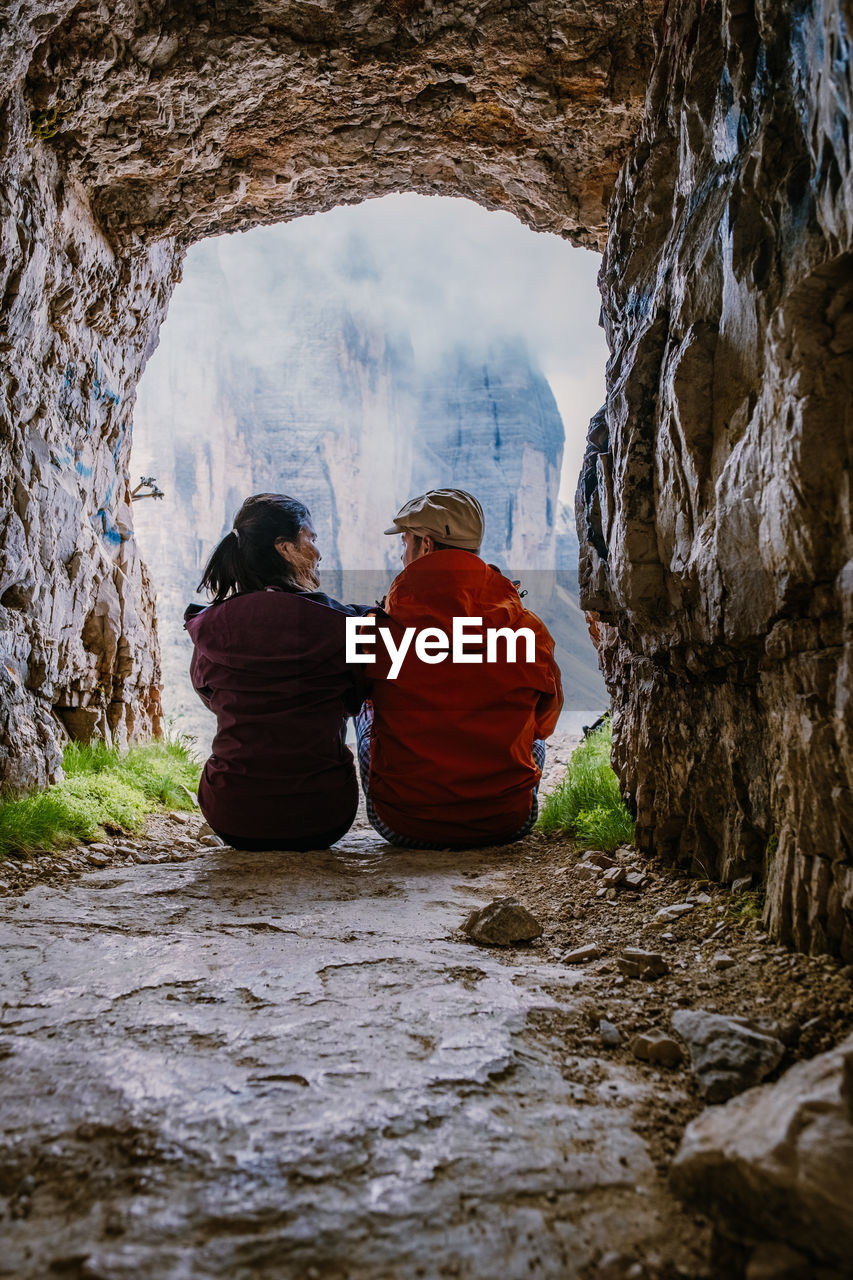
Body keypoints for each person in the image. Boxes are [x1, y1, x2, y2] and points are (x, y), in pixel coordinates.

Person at [355, 488, 563, 848]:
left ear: (426, 547)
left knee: (362, 707)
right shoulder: (529, 629)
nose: (401, 555)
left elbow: (349, 696)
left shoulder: (376, 631)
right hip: (506, 822)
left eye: (404, 543)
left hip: (404, 824)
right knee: (532, 738)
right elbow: (544, 722)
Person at [184, 493, 369, 851]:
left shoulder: (212, 628)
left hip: (232, 816)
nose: (318, 552)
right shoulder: (340, 624)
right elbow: (357, 695)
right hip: (324, 815)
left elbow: (207, 692)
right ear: (285, 548)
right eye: (310, 540)